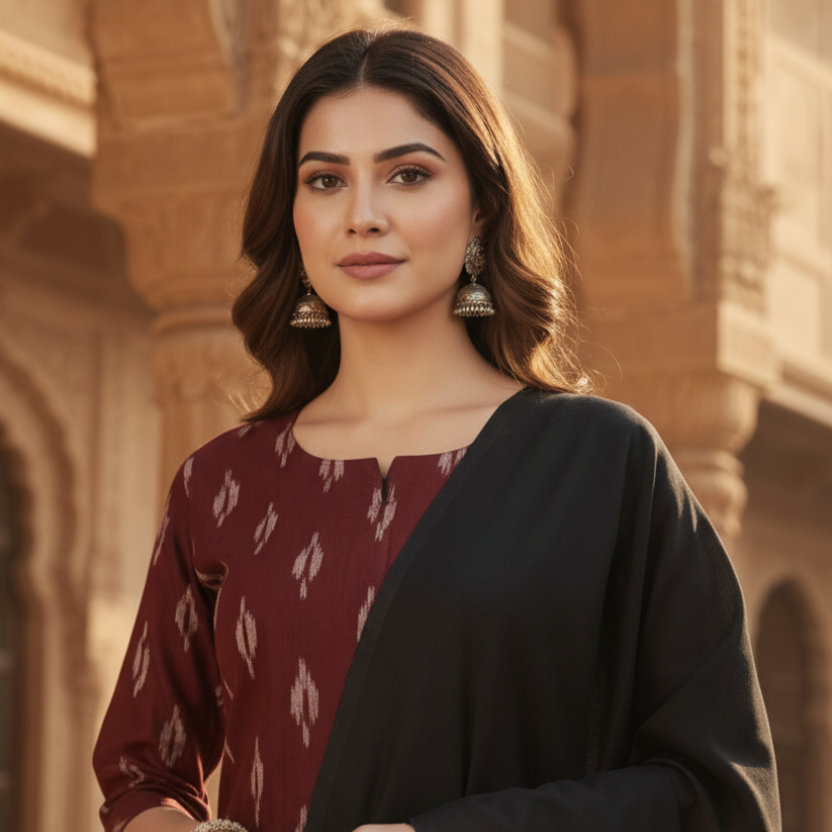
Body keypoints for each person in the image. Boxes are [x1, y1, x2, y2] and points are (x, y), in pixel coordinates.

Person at [93, 24, 780, 832]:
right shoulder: (223, 483)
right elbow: (141, 771)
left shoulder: (601, 461)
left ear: (482, 208)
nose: (363, 215)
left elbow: (719, 790)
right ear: (294, 213)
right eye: (324, 181)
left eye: (408, 175)